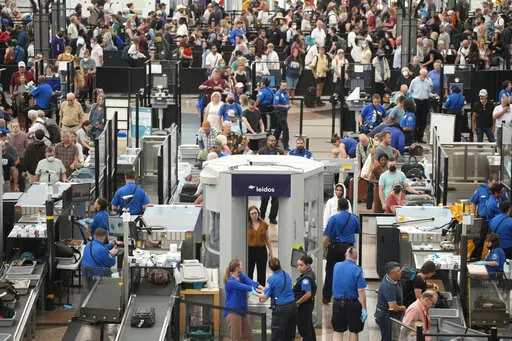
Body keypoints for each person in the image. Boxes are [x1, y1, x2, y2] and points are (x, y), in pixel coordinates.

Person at [323, 198, 360, 304]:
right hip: (349, 249)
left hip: (335, 248)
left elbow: (327, 237)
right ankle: (347, 296)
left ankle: (326, 297)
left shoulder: (333, 218)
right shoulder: (354, 218)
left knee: (330, 271)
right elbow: (357, 231)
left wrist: (324, 248)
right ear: (348, 207)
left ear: (338, 207)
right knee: (348, 272)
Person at [256, 258, 297, 341]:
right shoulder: (286, 275)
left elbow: (265, 297)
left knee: (277, 333)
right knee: (289, 333)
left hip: (281, 308)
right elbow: (277, 288)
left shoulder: (271, 279)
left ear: (270, 267)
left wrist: (255, 293)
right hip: (293, 306)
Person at [331, 247, 367, 341]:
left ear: (345, 255)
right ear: (356, 257)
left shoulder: (336, 266)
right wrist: (364, 308)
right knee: (354, 331)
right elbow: (361, 290)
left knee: (338, 331)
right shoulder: (358, 270)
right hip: (352, 305)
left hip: (338, 304)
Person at [223, 259, 262, 341]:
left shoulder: (241, 276)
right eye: (241, 265)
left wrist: (260, 287)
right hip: (233, 312)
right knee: (236, 338)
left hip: (243, 311)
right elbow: (244, 287)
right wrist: (258, 292)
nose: (242, 267)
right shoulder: (230, 282)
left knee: (248, 335)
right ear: (237, 268)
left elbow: (250, 282)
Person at [375, 262, 406, 341]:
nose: (400, 272)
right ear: (392, 274)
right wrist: (403, 308)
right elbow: (393, 307)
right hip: (385, 316)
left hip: (391, 316)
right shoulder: (388, 286)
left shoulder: (394, 279)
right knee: (387, 338)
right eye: (398, 271)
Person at [258, 136, 284, 224]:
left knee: (275, 200)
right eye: (271, 141)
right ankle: (262, 216)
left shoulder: (279, 152)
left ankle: (272, 217)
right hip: (265, 179)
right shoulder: (261, 151)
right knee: (264, 199)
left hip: (276, 179)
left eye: (274, 141)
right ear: (267, 141)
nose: (273, 142)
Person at [247, 206, 272, 286]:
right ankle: (249, 290)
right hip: (250, 250)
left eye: (255, 213)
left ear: (258, 213)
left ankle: (261, 291)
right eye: (252, 213)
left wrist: (270, 251)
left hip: (261, 250)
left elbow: (267, 238)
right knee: (249, 271)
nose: (254, 215)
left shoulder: (264, 224)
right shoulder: (247, 225)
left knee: (261, 272)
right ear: (249, 215)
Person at [294, 255, 317, 341]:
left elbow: (307, 294)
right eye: (298, 265)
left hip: (303, 307)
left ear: (307, 266)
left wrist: (297, 303)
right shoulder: (309, 274)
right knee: (309, 328)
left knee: (304, 330)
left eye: (301, 265)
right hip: (307, 306)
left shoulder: (306, 279)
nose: (299, 267)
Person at [408, 69, 433, 143]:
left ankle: (420, 137)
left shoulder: (428, 82)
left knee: (423, 121)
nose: (425, 77)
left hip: (424, 102)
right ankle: (414, 137)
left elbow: (428, 93)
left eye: (426, 75)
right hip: (416, 101)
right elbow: (410, 92)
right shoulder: (414, 81)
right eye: (423, 75)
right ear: (420, 74)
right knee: (415, 120)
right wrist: (412, 101)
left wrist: (433, 95)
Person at [273, 80, 291, 150]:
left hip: (285, 112)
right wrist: (284, 106)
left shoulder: (286, 92)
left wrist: (289, 104)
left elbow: (287, 100)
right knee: (285, 128)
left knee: (279, 127)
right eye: (283, 86)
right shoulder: (278, 94)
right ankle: (286, 145)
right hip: (280, 112)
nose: (284, 87)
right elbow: (275, 105)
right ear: (280, 86)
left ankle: (274, 141)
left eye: (285, 86)